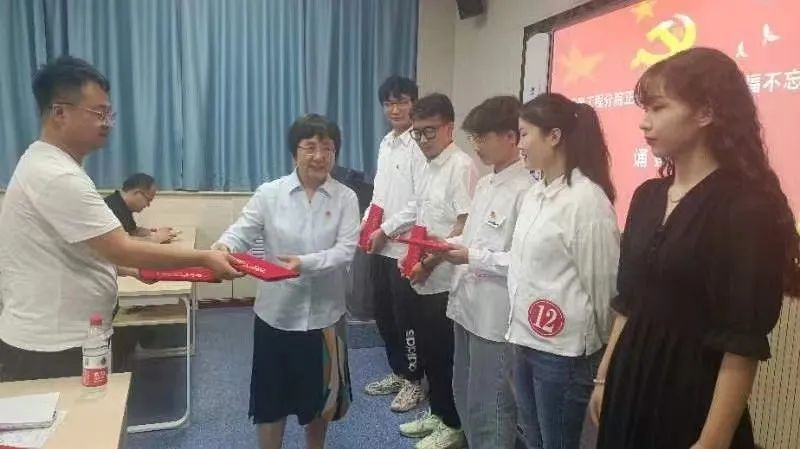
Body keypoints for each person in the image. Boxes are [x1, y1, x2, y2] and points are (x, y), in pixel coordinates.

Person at [591, 47, 800, 449]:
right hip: (630, 377)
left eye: (658, 108)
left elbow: (741, 344)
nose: (644, 122)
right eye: (644, 109)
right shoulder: (647, 196)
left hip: (691, 392)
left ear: (705, 113)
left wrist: (712, 442)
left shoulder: (746, 208)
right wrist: (604, 378)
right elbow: (628, 303)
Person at [0, 56, 241, 382]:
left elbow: (82, 251)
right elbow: (121, 248)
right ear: (60, 113)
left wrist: (133, 271)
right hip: (51, 346)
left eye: (109, 114)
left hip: (63, 335)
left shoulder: (50, 165)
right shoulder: (57, 175)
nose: (107, 123)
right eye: (98, 113)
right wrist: (204, 258)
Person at [212, 114, 359, 449]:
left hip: (326, 318)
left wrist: (304, 264)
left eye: (328, 148)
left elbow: (346, 251)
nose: (319, 156)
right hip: (276, 316)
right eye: (310, 147)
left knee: (321, 401)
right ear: (295, 153)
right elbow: (241, 231)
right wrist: (222, 248)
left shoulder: (346, 198)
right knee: (270, 401)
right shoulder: (270, 193)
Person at [508, 93, 619, 449]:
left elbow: (604, 289)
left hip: (564, 353)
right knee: (533, 438)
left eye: (525, 134)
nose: (519, 144)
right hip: (525, 339)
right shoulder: (535, 193)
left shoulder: (587, 200)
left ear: (554, 136)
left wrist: (597, 355)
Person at [370, 93, 478, 449]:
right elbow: (417, 210)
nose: (422, 139)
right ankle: (438, 412)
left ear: (449, 128)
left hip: (445, 279)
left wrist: (428, 263)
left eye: (430, 131)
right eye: (418, 133)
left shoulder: (460, 166)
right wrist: (389, 234)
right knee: (430, 351)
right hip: (423, 274)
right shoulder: (430, 165)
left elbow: (463, 226)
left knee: (446, 356)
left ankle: (453, 424)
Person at [439, 96, 532, 449]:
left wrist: (471, 256)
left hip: (495, 317)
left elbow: (522, 261)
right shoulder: (485, 184)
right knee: (462, 392)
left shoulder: (527, 191)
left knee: (491, 405)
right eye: (474, 137)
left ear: (511, 137)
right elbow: (472, 237)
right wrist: (443, 245)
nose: (476, 145)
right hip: (466, 306)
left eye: (483, 136)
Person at [363, 75, 429, 412]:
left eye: (402, 101)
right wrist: (366, 226)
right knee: (384, 313)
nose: (395, 109)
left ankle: (415, 381)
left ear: (414, 103)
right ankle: (399, 372)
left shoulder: (419, 144)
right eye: (388, 103)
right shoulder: (386, 142)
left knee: (407, 319)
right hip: (380, 245)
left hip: (405, 247)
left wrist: (386, 230)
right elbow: (379, 194)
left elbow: (419, 201)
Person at [104, 173, 176, 243]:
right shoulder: (111, 208)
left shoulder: (122, 205)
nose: (148, 205)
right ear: (137, 193)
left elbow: (132, 231)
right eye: (148, 200)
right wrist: (155, 238)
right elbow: (119, 242)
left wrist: (152, 233)